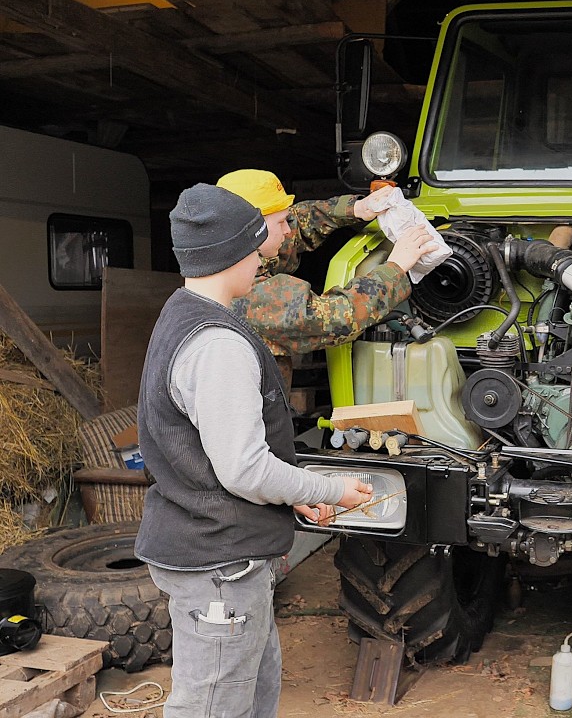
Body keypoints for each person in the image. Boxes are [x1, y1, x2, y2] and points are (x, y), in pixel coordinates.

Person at [134, 183, 375, 717]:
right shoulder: (219, 345)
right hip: (219, 565)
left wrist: (291, 495)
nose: (265, 256)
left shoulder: (184, 311)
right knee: (214, 706)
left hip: (220, 551)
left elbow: (219, 455)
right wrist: (328, 489)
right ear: (235, 252)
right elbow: (244, 468)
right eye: (256, 245)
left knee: (251, 694)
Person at [216, 169, 439, 388]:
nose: (288, 230)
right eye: (281, 223)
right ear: (253, 229)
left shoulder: (229, 250)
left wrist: (357, 208)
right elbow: (337, 317)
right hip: (257, 410)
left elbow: (299, 221)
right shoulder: (249, 294)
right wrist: (396, 267)